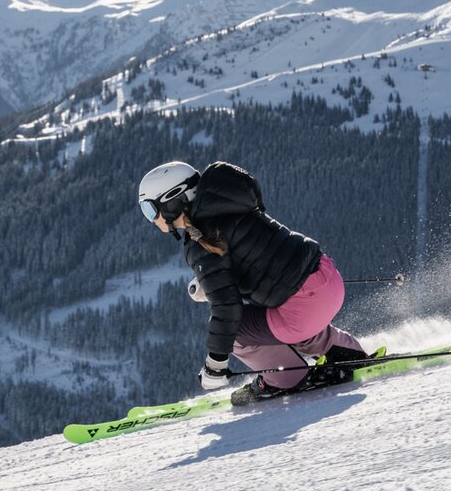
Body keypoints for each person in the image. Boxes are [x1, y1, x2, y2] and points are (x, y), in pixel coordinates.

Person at [136, 160, 370, 405]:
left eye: (150, 209)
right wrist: (212, 283)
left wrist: (215, 364)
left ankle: (286, 379)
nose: (151, 219)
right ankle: (344, 351)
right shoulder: (227, 205)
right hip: (327, 279)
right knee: (273, 316)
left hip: (304, 308)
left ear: (174, 199)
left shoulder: (200, 240)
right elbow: (253, 255)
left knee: (238, 331)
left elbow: (227, 308)